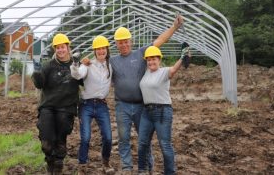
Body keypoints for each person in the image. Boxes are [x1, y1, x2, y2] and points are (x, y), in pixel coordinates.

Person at [110, 15, 183, 174]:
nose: (123, 45)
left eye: (126, 41)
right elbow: (99, 66)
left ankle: (148, 166)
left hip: (141, 106)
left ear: (131, 41)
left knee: (144, 140)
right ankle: (127, 167)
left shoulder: (141, 53)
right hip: (121, 105)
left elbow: (159, 41)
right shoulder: (112, 60)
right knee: (123, 138)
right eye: (120, 42)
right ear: (116, 44)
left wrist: (174, 27)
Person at [31, 33, 81, 175]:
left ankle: (58, 165)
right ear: (55, 49)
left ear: (67, 47)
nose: (60, 50)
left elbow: (85, 80)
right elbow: (40, 84)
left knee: (61, 138)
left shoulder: (75, 64)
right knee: (47, 141)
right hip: (48, 106)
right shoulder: (49, 66)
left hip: (67, 108)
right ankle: (50, 160)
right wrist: (37, 76)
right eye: (57, 48)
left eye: (63, 47)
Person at [137, 45, 189, 175]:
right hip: (146, 112)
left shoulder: (164, 72)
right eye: (148, 59)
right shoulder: (146, 72)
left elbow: (174, 69)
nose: (151, 62)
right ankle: (142, 170)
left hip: (162, 112)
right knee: (142, 143)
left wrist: (182, 57)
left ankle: (169, 172)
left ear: (159, 60)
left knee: (165, 145)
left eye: (154, 59)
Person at [70, 35, 115, 175]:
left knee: (108, 137)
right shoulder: (87, 65)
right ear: (95, 51)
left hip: (102, 105)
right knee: (86, 137)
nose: (101, 51)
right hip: (86, 105)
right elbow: (77, 75)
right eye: (98, 49)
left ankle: (106, 162)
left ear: (107, 50)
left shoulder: (110, 67)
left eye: (103, 48)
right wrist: (76, 63)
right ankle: (82, 166)